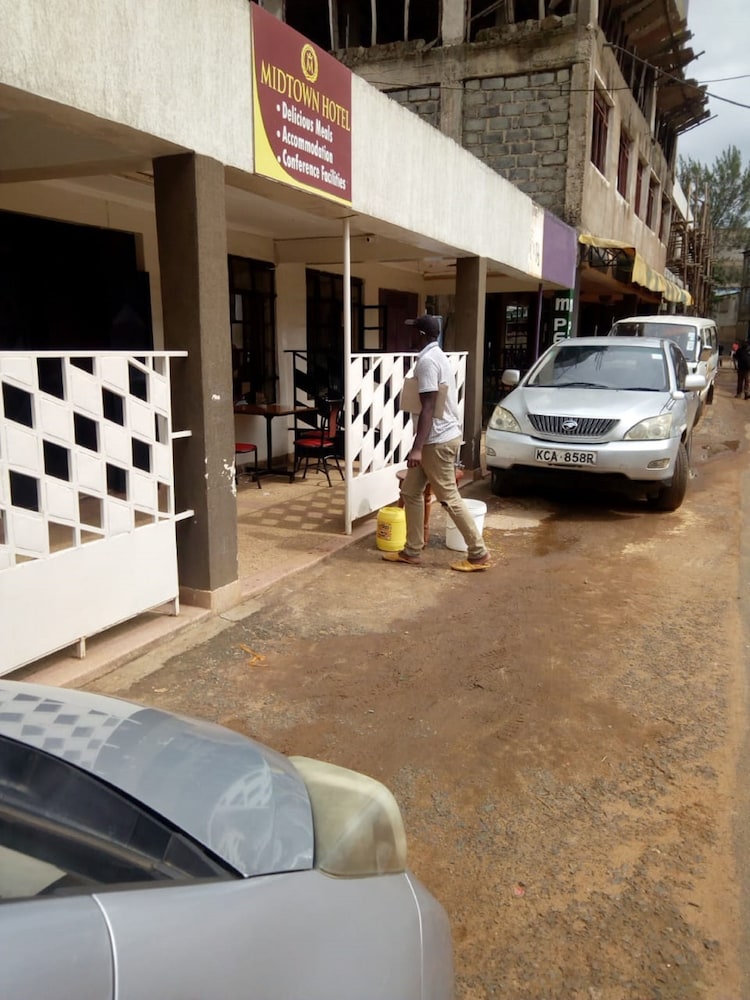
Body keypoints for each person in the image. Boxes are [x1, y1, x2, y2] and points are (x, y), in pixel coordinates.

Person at [383, 314, 491, 572]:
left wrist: (417, 448)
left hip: (436, 441)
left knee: (448, 497)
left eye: (413, 331)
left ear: (421, 335)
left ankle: (478, 553)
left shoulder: (428, 362)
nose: (409, 335)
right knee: (410, 491)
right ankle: (412, 550)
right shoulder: (437, 356)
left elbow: (429, 406)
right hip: (438, 438)